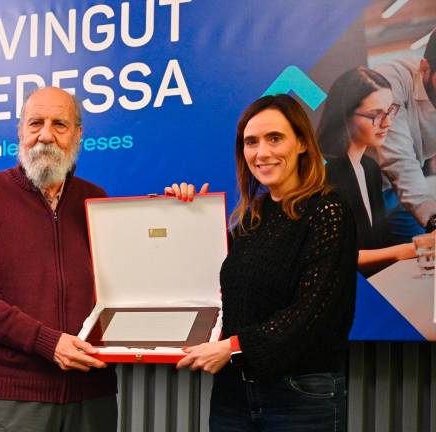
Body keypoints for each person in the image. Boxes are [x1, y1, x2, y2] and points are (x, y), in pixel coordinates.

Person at [171, 94, 358, 431]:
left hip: (300, 396)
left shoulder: (328, 212)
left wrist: (233, 346)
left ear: (301, 143)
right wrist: (187, 216)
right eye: (251, 142)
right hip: (233, 395)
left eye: (275, 138)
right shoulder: (249, 220)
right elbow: (215, 288)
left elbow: (313, 313)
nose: (262, 152)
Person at [0, 86, 118, 432]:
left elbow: (124, 288)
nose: (45, 136)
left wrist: (179, 212)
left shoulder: (95, 199)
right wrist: (48, 342)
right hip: (13, 398)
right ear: (20, 132)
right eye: (35, 123)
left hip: (91, 393)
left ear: (77, 134)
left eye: (60, 124)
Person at [317, 67, 416, 276]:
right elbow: (334, 257)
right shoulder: (323, 173)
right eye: (375, 115)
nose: (387, 123)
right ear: (345, 115)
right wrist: (408, 250)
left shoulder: (370, 169)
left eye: (389, 111)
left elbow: (378, 241)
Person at [372, 31, 436, 241]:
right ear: (425, 68)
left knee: (422, 259)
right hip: (367, 189)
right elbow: (397, 158)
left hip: (405, 191)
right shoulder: (391, 78)